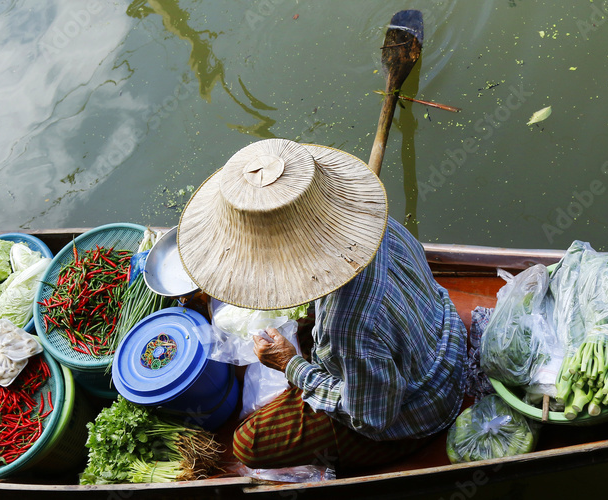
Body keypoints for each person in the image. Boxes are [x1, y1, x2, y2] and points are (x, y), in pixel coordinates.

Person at [176, 138, 466, 472]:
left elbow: (371, 418)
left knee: (247, 443)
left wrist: (291, 365)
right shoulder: (371, 218)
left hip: (424, 406)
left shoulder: (345, 327)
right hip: (443, 335)